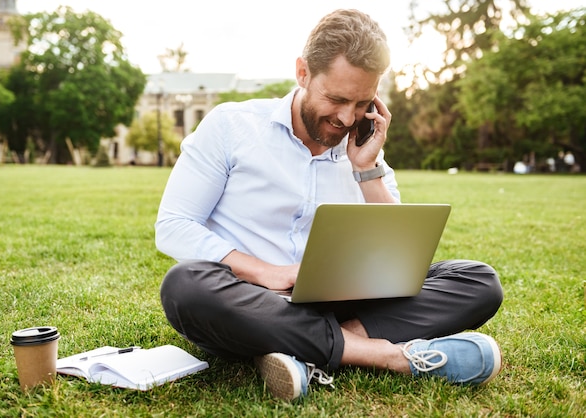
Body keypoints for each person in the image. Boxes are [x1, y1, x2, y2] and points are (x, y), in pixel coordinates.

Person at [155, 9, 503, 401]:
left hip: (339, 301)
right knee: (184, 286)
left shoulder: (365, 152)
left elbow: (399, 255)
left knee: (478, 281)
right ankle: (388, 356)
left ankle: (297, 349)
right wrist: (268, 273)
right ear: (303, 73)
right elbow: (174, 225)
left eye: (361, 102)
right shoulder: (231, 126)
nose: (346, 117)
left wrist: (366, 169)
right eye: (336, 98)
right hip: (250, 299)